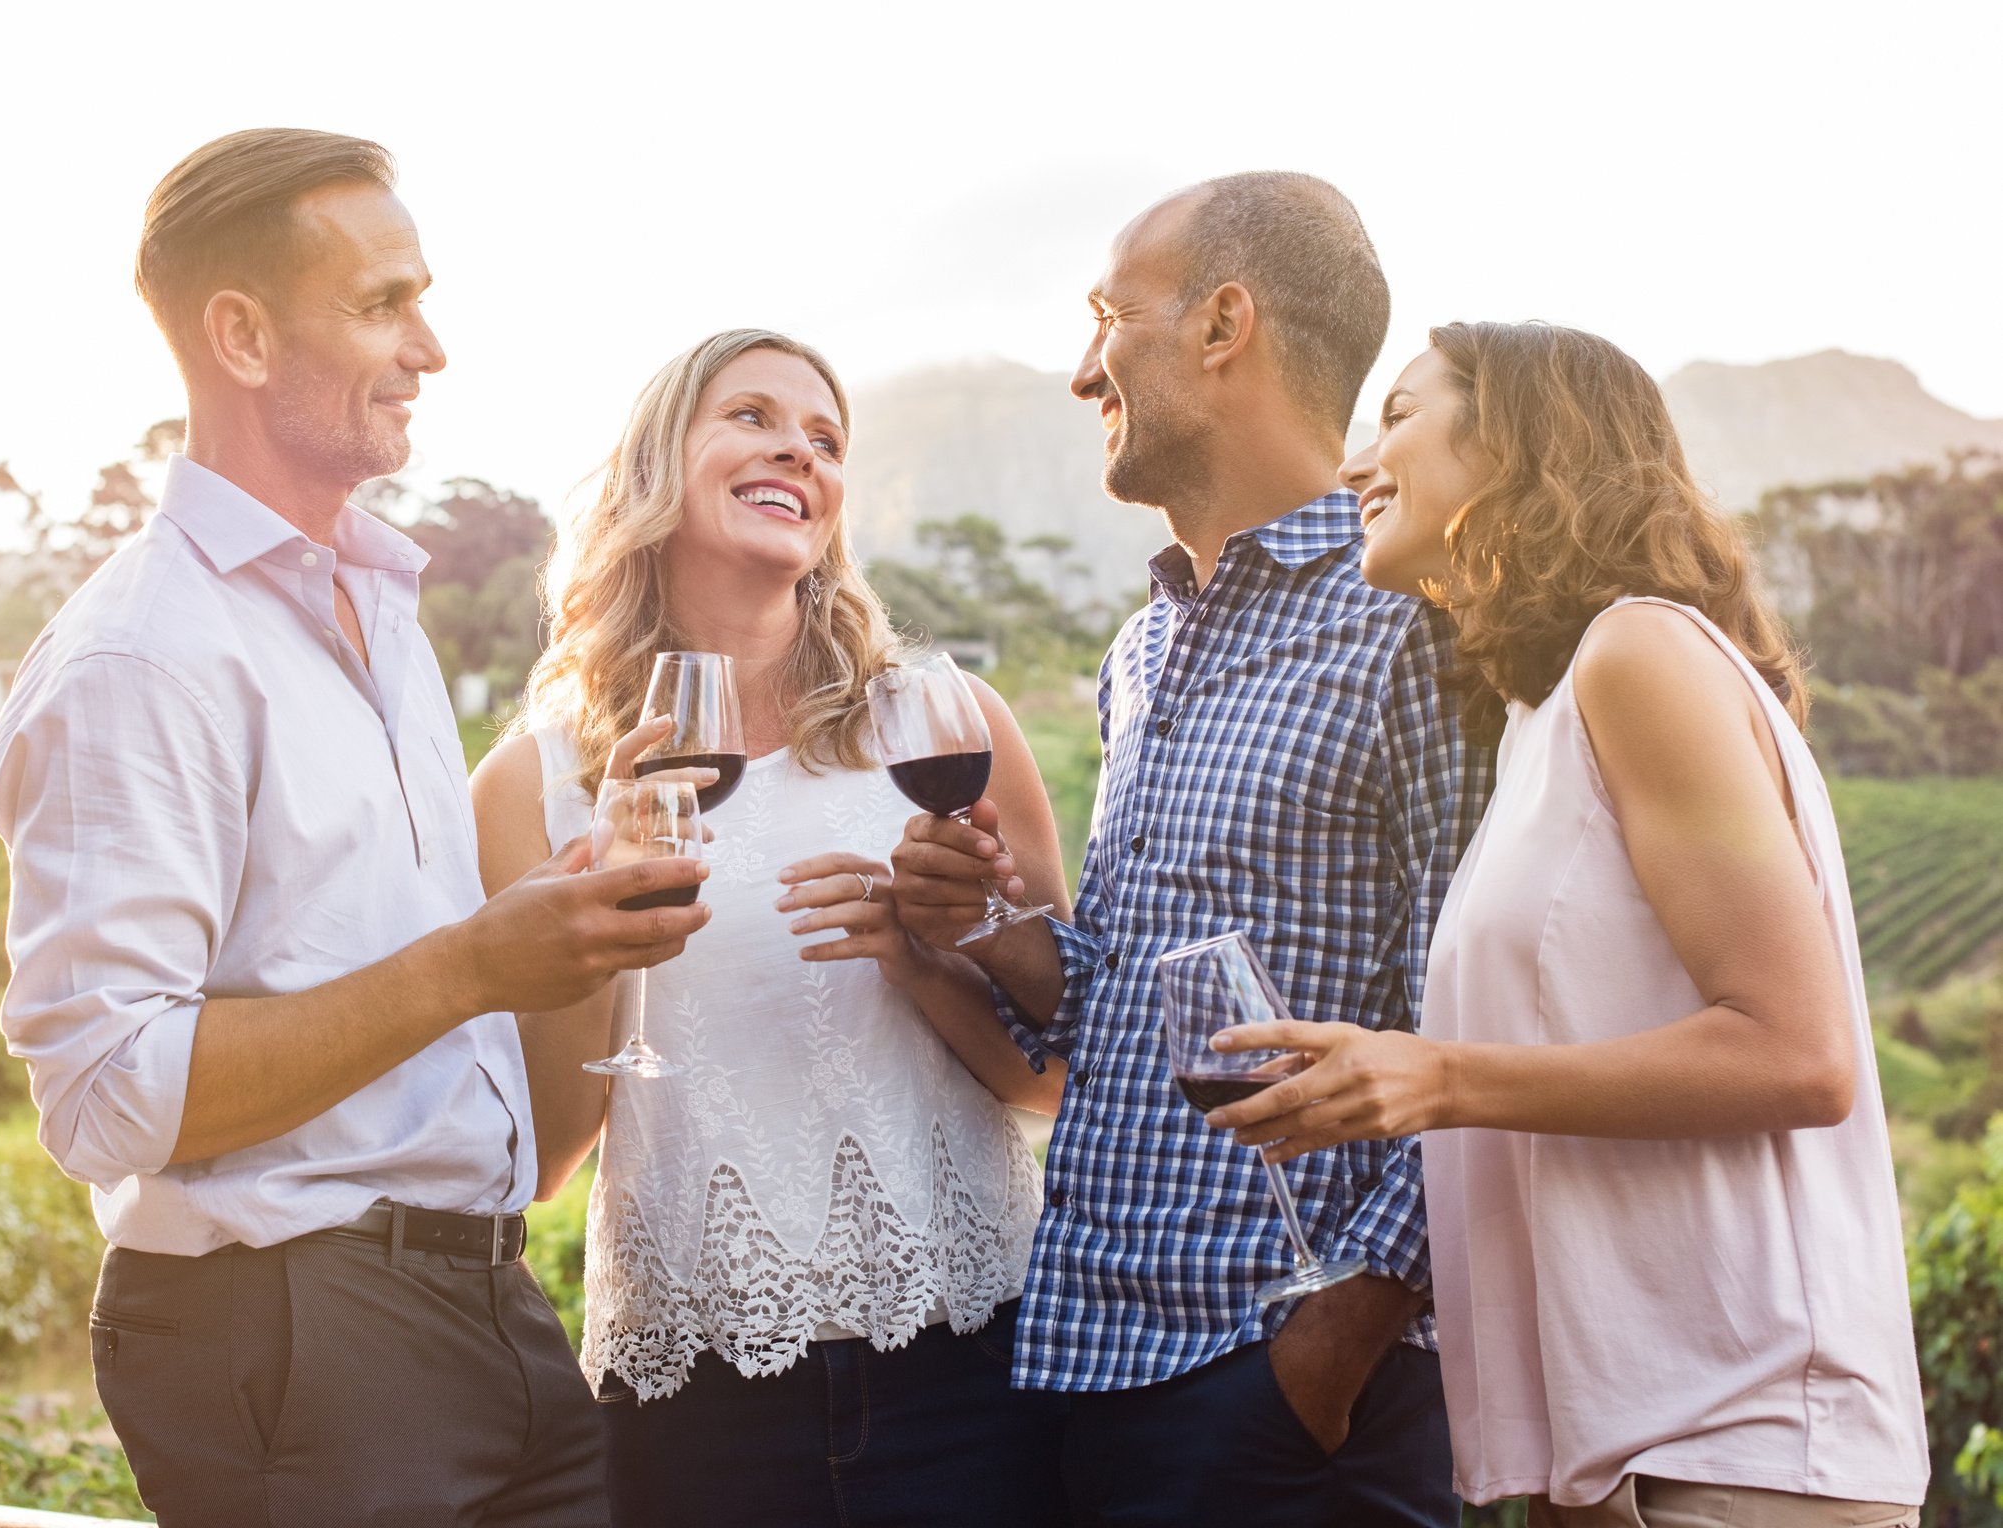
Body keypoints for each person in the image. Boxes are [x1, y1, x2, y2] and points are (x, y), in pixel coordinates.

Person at [0, 128, 709, 1526]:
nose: (428, 346)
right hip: (291, 1333)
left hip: (481, 1303)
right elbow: (106, 1098)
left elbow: (374, 955)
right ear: (242, 337)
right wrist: (473, 968)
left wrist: (547, 919)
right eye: (381, 304)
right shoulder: (138, 658)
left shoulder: (379, 616)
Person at [1209, 322, 1928, 1527]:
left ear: (1516, 444)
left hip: (1736, 1442)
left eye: (1398, 415)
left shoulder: (1636, 651)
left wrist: (1434, 1081)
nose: (1351, 466)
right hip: (1622, 1451)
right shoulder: (1541, 711)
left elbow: (1796, 1055)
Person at [888, 172, 1495, 1527]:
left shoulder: (1416, 622)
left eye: (1108, 315)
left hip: (1278, 1383)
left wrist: (1329, 1348)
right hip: (1082, 1362)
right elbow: (1120, 1005)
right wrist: (981, 930)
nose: (1079, 369)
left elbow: (1489, 1016)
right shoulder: (1140, 645)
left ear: (1224, 325)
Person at [472, 327, 1071, 1526]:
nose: (795, 447)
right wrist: (604, 916)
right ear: (660, 464)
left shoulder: (945, 725)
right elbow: (536, 1158)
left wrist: (922, 958)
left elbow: (1053, 1077)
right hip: (696, 1394)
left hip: (976, 1358)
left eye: (825, 437)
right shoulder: (534, 785)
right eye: (751, 416)